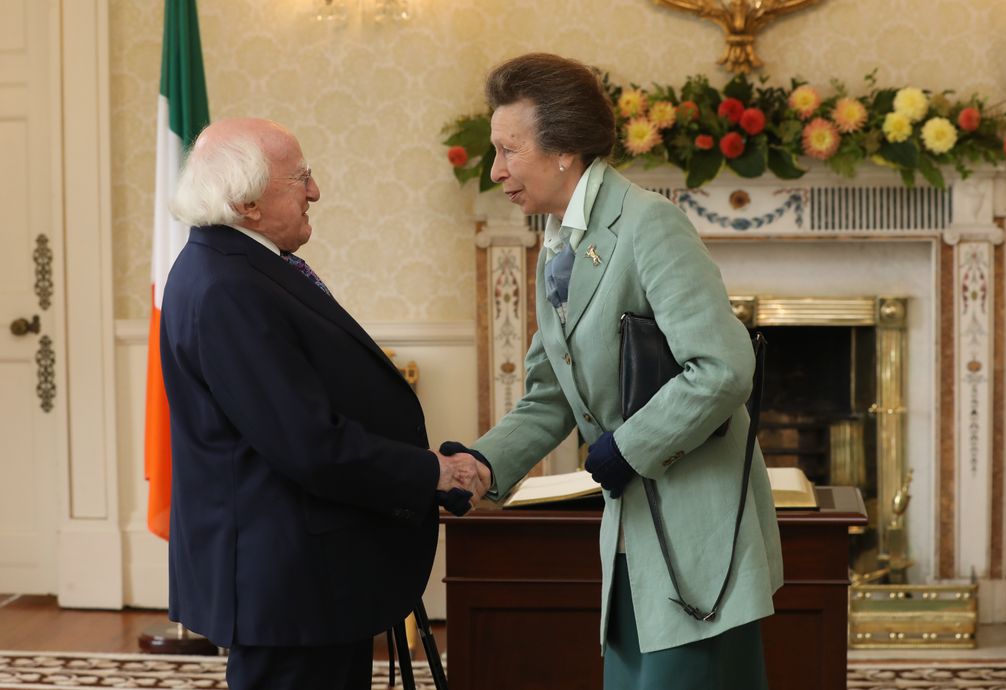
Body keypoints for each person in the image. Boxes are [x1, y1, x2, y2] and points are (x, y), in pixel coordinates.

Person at [445, 54, 784, 689]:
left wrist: (627, 449)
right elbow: (550, 393)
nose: (496, 172)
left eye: (507, 151)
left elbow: (724, 366)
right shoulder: (558, 241)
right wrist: (483, 464)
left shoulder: (649, 224)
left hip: (696, 534)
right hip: (633, 533)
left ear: (564, 149)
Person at [159, 117, 489, 690]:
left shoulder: (240, 268)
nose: (316, 192)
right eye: (301, 178)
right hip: (286, 583)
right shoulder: (229, 286)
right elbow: (308, 443)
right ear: (247, 201)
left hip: (304, 575)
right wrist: (431, 471)